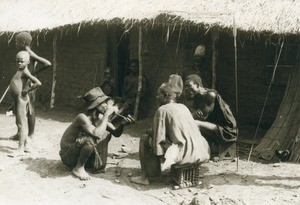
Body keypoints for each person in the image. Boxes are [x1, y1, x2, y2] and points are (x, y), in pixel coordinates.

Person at [130, 74, 210, 185]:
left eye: (158, 95)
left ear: (165, 95)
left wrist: (153, 138)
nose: (157, 97)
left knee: (144, 139)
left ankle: (145, 177)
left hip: (184, 153)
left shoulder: (162, 110)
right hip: (202, 149)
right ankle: (159, 172)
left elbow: (159, 139)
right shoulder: (183, 107)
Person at [59, 87, 134, 180]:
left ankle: (87, 163)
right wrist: (106, 115)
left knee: (106, 133)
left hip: (77, 154)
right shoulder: (82, 117)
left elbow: (115, 133)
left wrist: (123, 125)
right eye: (104, 103)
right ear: (96, 105)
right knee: (89, 139)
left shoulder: (99, 118)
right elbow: (97, 134)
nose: (107, 105)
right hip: (68, 157)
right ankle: (78, 168)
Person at [10, 31, 51, 140]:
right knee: (19, 108)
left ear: (23, 42)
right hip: (22, 84)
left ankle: (31, 134)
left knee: (30, 109)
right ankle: (20, 133)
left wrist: (34, 73)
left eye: (16, 41)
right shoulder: (23, 53)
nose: (15, 43)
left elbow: (47, 63)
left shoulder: (29, 53)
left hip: (29, 86)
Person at [184, 74, 237, 147]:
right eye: (185, 87)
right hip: (214, 126)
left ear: (197, 85)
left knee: (195, 123)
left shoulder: (210, 95)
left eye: (189, 86)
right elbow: (193, 114)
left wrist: (192, 114)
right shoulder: (196, 96)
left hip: (226, 131)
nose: (186, 89)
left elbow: (202, 117)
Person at [8, 51, 42, 157]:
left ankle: (20, 149)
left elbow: (38, 82)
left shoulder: (25, 71)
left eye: (21, 61)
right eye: (17, 61)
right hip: (18, 100)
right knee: (20, 122)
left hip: (21, 100)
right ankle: (26, 145)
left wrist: (27, 90)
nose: (19, 63)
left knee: (21, 124)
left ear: (28, 62)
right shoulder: (20, 70)